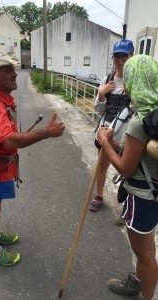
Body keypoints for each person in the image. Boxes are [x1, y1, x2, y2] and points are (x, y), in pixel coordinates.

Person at [0, 50, 65, 267]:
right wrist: (47, 133)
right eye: (7, 70)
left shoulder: (0, 98)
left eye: (13, 69)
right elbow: (8, 141)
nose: (14, 74)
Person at [97, 54, 158, 300]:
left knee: (144, 253)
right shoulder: (155, 112)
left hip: (142, 196)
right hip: (154, 193)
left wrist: (104, 142)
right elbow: (139, 156)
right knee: (147, 250)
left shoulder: (139, 121)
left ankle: (144, 294)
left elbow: (124, 168)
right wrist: (115, 144)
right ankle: (136, 282)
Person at [89, 39, 134, 212]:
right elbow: (99, 110)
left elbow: (140, 111)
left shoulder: (135, 81)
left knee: (128, 171)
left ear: (131, 56)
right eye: (117, 56)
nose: (120, 60)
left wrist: (132, 96)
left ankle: (128, 205)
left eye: (124, 56)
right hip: (104, 133)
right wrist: (102, 93)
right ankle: (99, 195)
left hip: (126, 136)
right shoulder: (106, 80)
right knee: (102, 166)